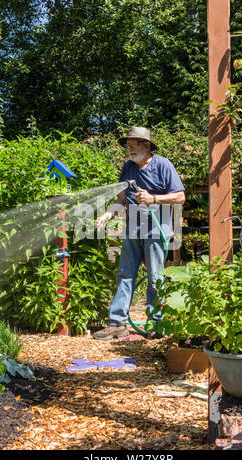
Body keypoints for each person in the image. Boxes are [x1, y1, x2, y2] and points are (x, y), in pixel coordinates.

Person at [93, 127, 185, 340]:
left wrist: (153, 199)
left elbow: (180, 196)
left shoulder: (163, 165)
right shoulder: (128, 167)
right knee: (125, 275)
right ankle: (117, 324)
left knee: (155, 278)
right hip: (132, 229)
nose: (131, 148)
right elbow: (122, 198)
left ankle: (157, 323)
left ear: (146, 146)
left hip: (156, 229)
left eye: (135, 144)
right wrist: (107, 215)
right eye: (129, 145)